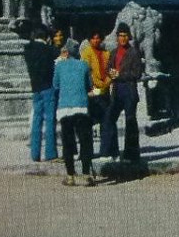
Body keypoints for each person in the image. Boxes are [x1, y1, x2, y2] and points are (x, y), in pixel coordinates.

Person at [52, 39, 95, 186]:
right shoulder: (84, 65)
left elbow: (55, 85)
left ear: (66, 52)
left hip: (65, 107)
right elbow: (89, 85)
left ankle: (70, 175)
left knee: (68, 141)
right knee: (85, 140)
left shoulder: (59, 66)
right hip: (81, 106)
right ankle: (86, 173)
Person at [101, 23, 144, 162]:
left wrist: (119, 74)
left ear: (128, 37)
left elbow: (136, 73)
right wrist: (111, 72)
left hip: (129, 90)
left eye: (125, 36)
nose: (123, 38)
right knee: (109, 118)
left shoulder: (134, 52)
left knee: (130, 121)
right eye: (120, 36)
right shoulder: (113, 52)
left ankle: (131, 154)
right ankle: (111, 152)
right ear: (117, 37)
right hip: (117, 90)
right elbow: (108, 68)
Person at [22, 25, 59, 163]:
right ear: (46, 37)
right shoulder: (50, 50)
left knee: (37, 120)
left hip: (35, 87)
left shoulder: (28, 50)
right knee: (50, 120)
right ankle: (50, 152)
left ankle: (35, 153)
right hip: (48, 87)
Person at [81, 29, 111, 147]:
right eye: (93, 38)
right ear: (89, 40)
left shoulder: (106, 53)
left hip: (105, 90)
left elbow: (112, 70)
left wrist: (108, 81)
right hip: (93, 91)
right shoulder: (86, 53)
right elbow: (87, 72)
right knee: (89, 122)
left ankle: (106, 149)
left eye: (98, 38)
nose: (96, 40)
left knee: (106, 121)